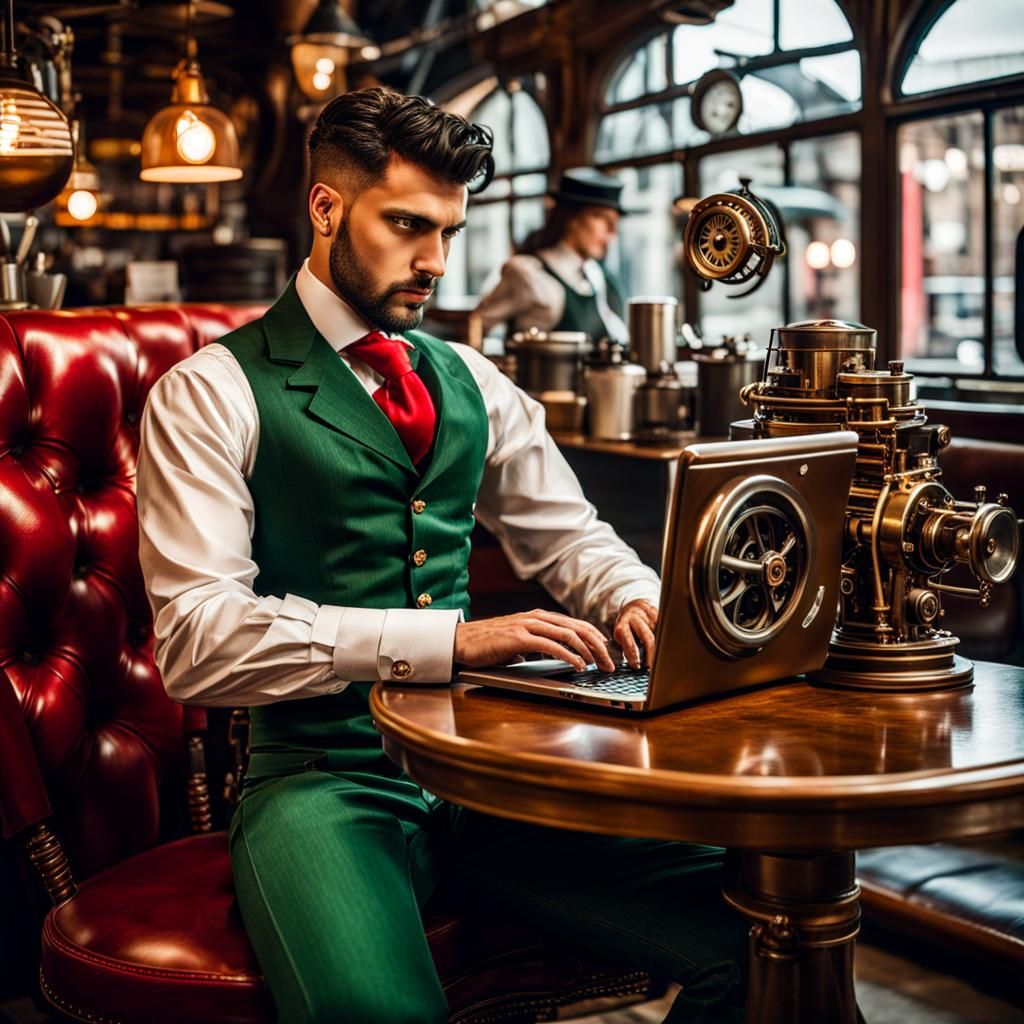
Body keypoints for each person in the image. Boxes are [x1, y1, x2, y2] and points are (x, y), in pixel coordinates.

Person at [137, 86, 747, 1024]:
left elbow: (572, 536)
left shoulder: (472, 378)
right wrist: (453, 643)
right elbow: (197, 642)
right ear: (327, 208)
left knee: (763, 932)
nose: (435, 263)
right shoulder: (210, 391)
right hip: (322, 786)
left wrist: (633, 594)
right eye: (409, 225)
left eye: (451, 231)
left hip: (488, 774)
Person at [475, 167, 629, 342]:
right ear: (572, 218)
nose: (612, 232)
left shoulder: (594, 275)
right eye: (602, 218)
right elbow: (477, 325)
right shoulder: (528, 274)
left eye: (615, 223)